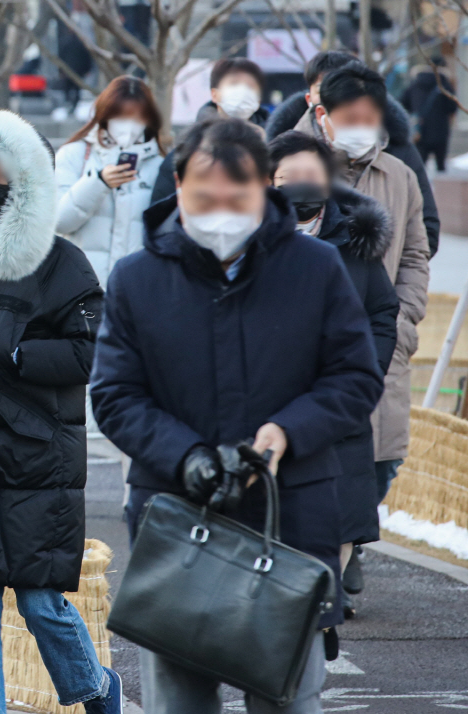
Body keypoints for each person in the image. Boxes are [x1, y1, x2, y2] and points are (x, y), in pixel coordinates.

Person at [91, 117, 383, 714]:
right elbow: (116, 394)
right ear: (177, 183)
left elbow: (355, 377)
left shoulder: (315, 268)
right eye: (205, 197)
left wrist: (284, 434)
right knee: (180, 697)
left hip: (292, 516)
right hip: (177, 517)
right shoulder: (137, 278)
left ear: (265, 190)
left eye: (237, 197)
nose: (220, 211)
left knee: (288, 696)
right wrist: (186, 454)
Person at [0, 110, 119, 714]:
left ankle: (98, 691)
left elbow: (90, 351)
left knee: (41, 605)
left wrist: (15, 353)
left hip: (36, 463)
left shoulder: (63, 263)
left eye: (1, 169)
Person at [269, 130, 399, 618]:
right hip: (269, 403)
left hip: (339, 400)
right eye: (288, 177)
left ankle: (326, 594)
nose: (300, 185)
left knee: (343, 509)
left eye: (310, 175)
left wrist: (364, 373)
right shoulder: (245, 242)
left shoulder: (354, 240)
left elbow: (382, 314)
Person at [299, 63, 430, 510]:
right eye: (349, 119)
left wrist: (403, 317)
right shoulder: (291, 168)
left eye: (369, 118)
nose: (361, 128)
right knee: (310, 453)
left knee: (380, 459)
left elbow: (415, 254)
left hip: (381, 339)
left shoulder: (400, 176)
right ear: (323, 116)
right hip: (304, 340)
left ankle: (350, 540)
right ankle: (330, 548)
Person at [265, 50, 440, 256]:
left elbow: (421, 239)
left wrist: (396, 281)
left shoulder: (399, 154)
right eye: (326, 88)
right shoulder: (282, 153)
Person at [55, 75, 165, 284]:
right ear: (105, 115)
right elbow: (59, 222)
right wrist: (98, 182)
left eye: (138, 117)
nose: (129, 125)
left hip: (137, 289)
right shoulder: (74, 155)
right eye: (121, 116)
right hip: (82, 288)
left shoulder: (159, 165)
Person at [150, 58, 268, 203]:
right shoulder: (187, 151)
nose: (242, 92)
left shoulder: (274, 146)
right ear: (214, 94)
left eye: (250, 86)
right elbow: (160, 211)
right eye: (234, 84)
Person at [407, 59, 457, 173]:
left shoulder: (416, 83)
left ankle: (420, 189)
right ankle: (440, 189)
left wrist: (415, 113)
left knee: (419, 168)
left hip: (420, 131)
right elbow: (452, 107)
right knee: (441, 167)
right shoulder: (444, 85)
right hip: (440, 131)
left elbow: (403, 102)